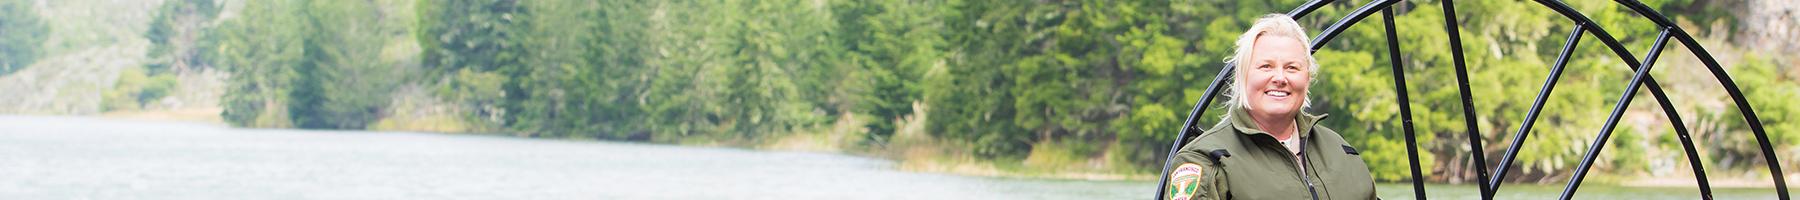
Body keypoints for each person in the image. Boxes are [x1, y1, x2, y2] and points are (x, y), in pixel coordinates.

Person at [1162, 14, 1376, 200]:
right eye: (1266, 66)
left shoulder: (1341, 150)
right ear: (1241, 76)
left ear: (1307, 79)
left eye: (1292, 68)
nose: (1280, 78)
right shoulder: (1205, 160)